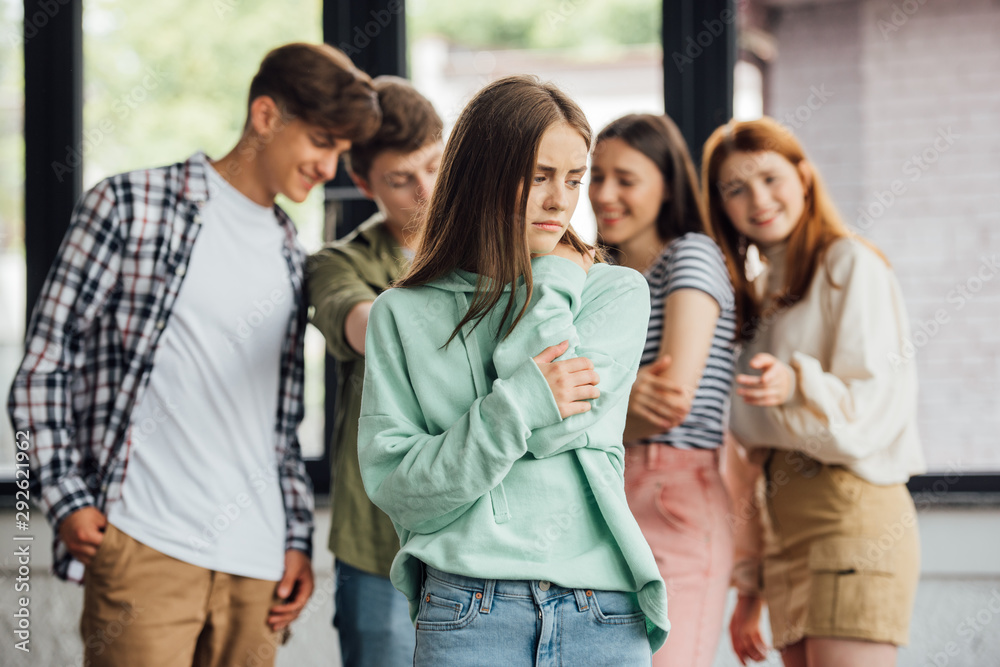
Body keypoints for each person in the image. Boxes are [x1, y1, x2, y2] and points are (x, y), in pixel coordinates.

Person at [7, 43, 380, 667]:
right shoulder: (129, 206)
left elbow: (278, 423)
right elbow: (44, 366)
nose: (329, 166)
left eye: (342, 151)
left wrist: (295, 539)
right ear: (265, 115)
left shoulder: (294, 255)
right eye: (321, 141)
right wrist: (67, 497)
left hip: (257, 566)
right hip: (145, 546)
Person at [356, 75, 670, 665]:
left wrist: (554, 276)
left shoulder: (612, 294)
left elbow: (560, 427)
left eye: (574, 179)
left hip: (602, 611)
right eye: (539, 176)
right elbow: (401, 489)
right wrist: (522, 404)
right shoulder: (402, 313)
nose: (562, 201)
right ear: (481, 175)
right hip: (469, 612)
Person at [701, 117, 926, 667]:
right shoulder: (758, 295)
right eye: (736, 187)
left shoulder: (850, 265)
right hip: (786, 530)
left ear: (803, 176)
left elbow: (876, 410)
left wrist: (797, 382)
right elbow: (752, 460)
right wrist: (749, 587)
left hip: (850, 516)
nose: (758, 199)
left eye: (770, 177)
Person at [589, 113, 737, 667]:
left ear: (668, 183)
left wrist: (601, 407)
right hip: (604, 490)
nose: (604, 193)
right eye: (596, 176)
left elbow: (671, 400)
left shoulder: (691, 254)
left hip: (671, 489)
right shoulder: (601, 278)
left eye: (626, 179)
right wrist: (619, 407)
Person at [307, 75, 444, 667]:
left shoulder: (508, 250)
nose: (427, 189)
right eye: (401, 179)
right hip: (376, 543)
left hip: (477, 540)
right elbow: (365, 325)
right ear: (363, 183)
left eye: (436, 166)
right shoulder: (339, 263)